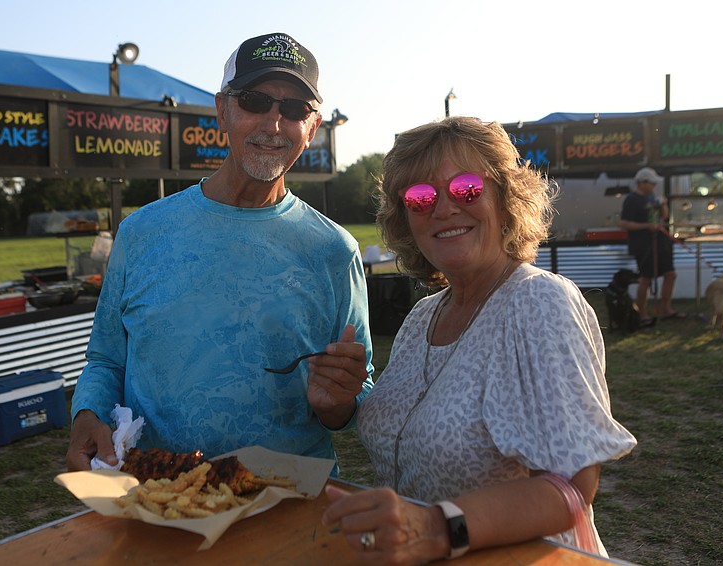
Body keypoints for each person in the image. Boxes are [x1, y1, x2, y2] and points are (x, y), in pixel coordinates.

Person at [320, 117, 637, 563]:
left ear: (505, 200)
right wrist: (338, 402)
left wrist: (434, 528)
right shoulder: (423, 317)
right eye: (420, 197)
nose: (444, 209)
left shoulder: (538, 301)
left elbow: (571, 488)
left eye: (466, 188)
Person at [66, 32, 373, 474]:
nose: (273, 124)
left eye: (294, 109)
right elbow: (106, 359)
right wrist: (87, 413)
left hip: (291, 496)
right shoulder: (142, 233)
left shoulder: (333, 250)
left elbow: (357, 388)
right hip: (160, 493)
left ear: (312, 128)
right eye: (254, 101)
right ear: (222, 111)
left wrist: (339, 404)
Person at [619, 167, 684, 321]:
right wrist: (647, 226)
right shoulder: (632, 199)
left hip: (659, 242)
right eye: (652, 183)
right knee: (646, 278)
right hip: (643, 245)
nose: (654, 186)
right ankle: (641, 313)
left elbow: (664, 216)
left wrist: (663, 205)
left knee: (670, 274)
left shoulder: (652, 197)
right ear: (642, 182)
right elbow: (624, 223)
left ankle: (666, 309)